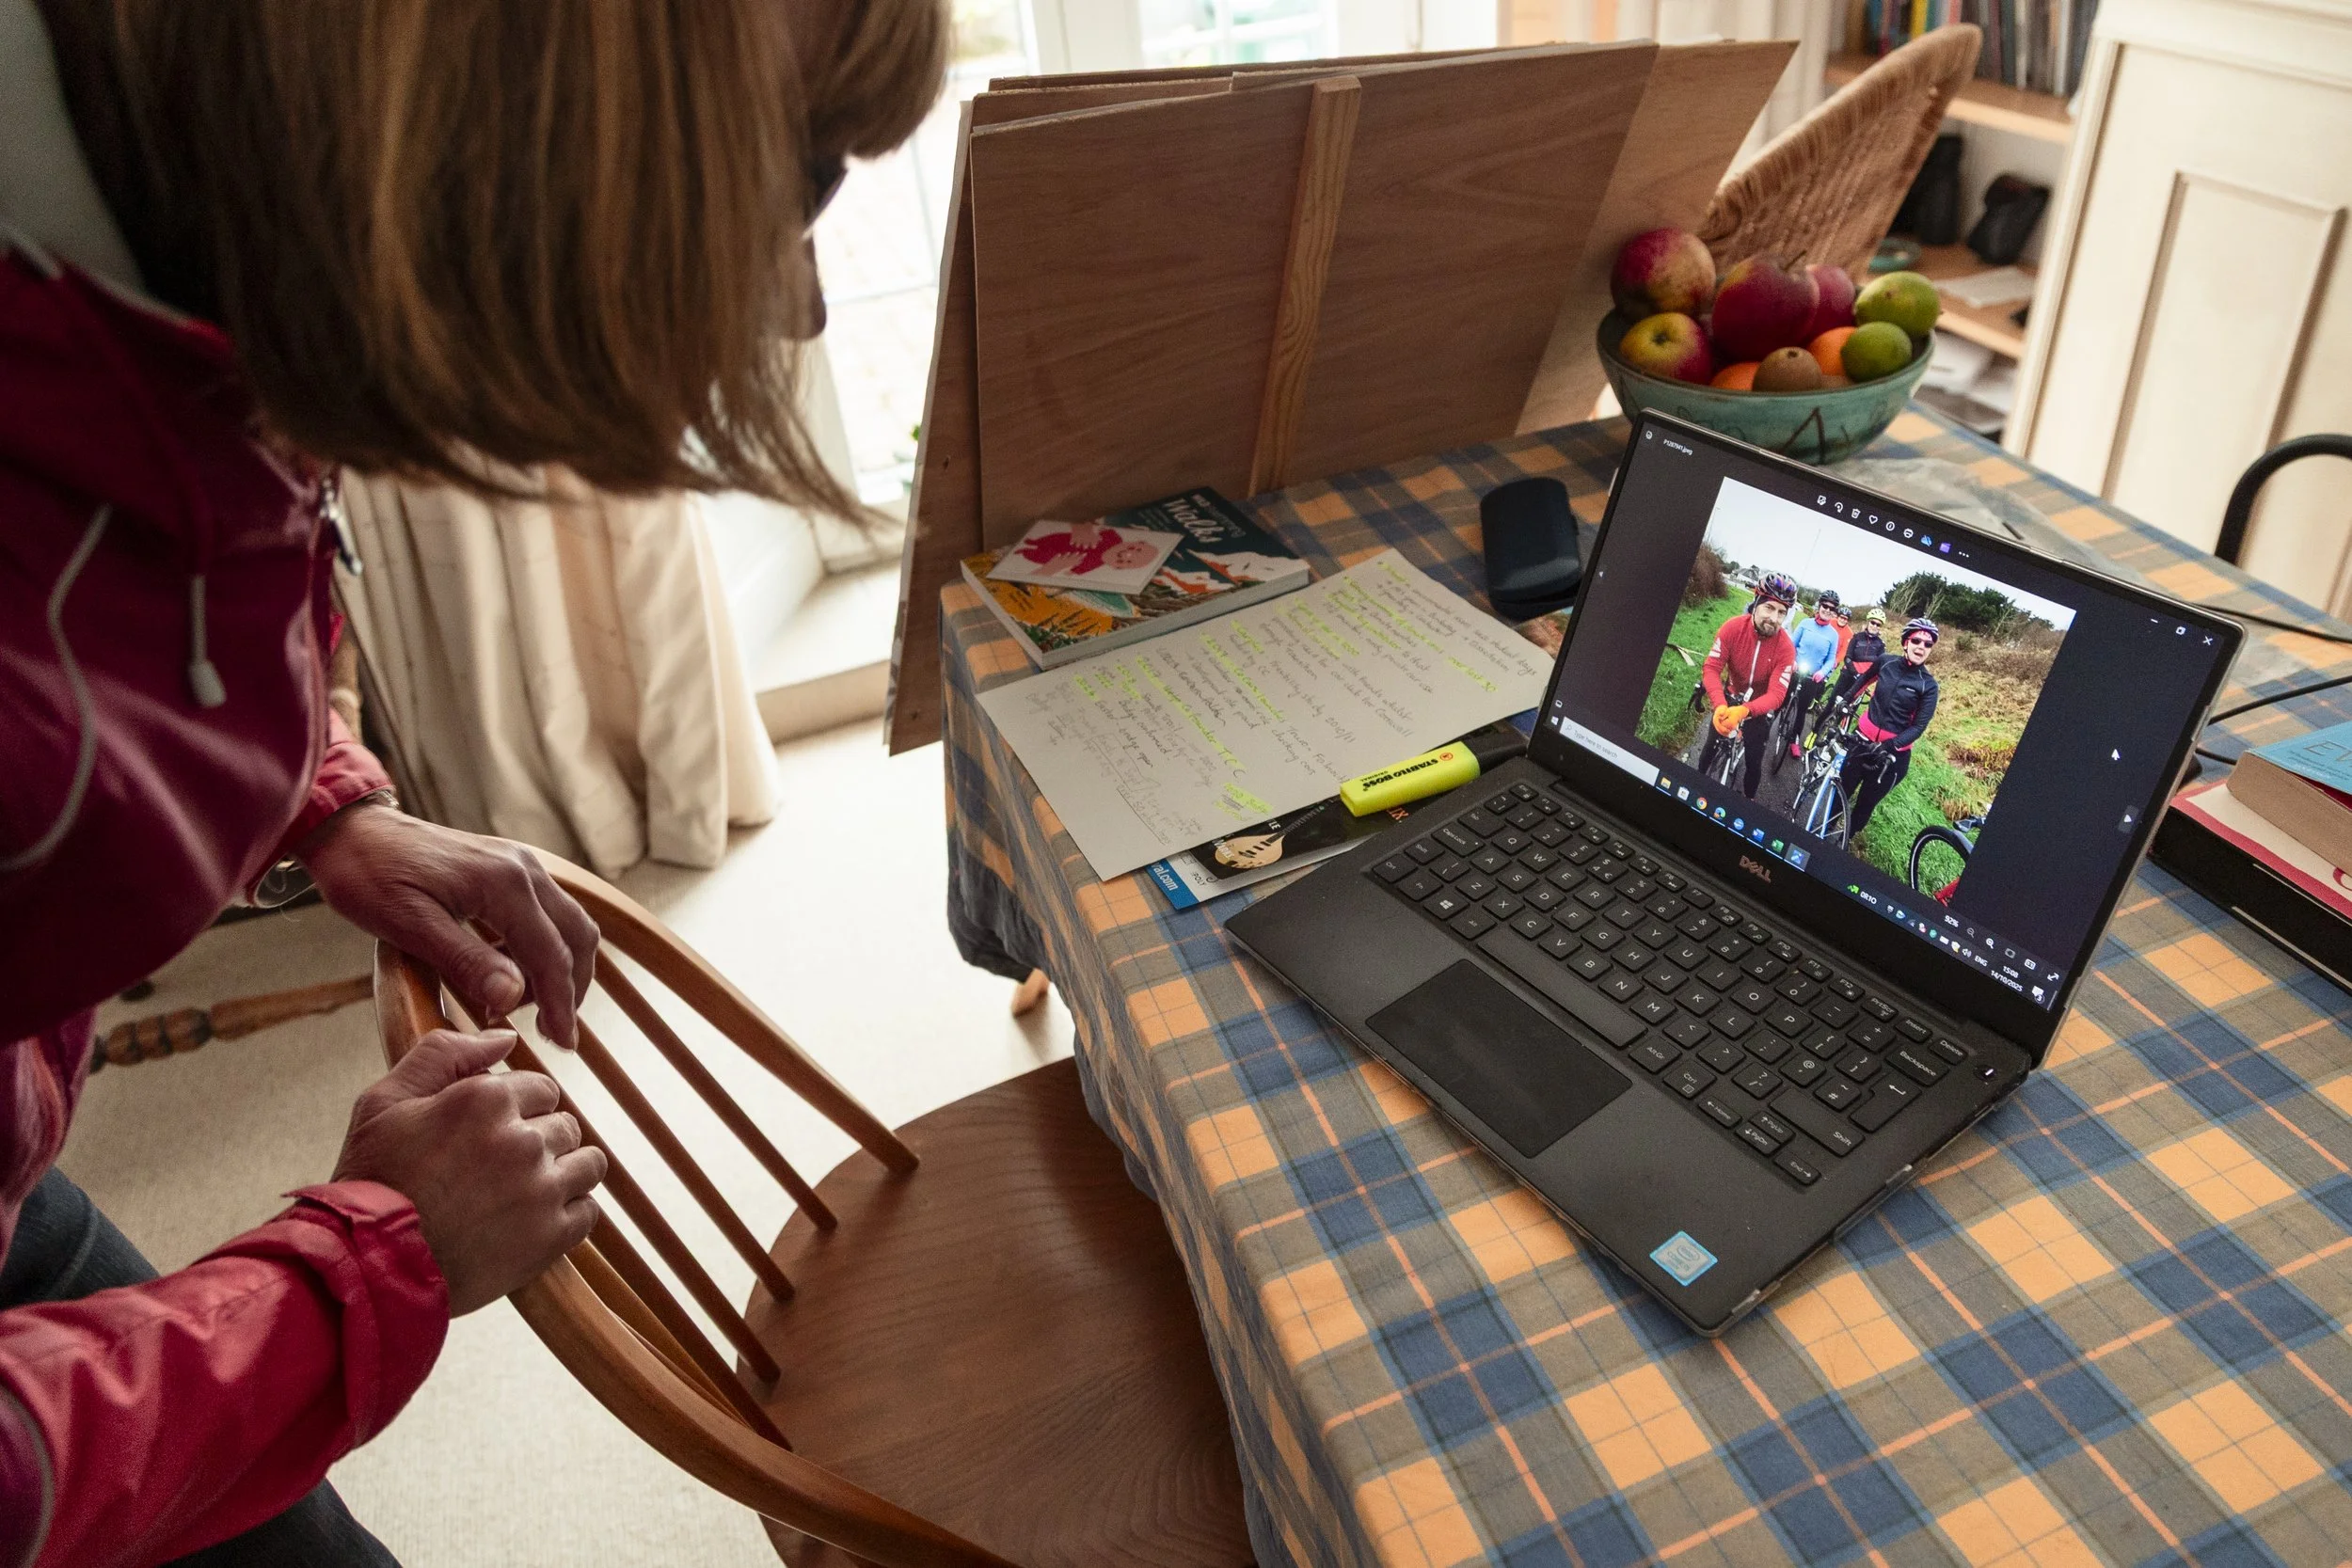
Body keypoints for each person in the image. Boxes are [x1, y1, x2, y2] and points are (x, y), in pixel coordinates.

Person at [0, 1, 946, 1563]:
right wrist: (354, 1273)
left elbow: (193, 534)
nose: (800, 311)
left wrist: (328, 803)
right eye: (786, 180)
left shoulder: (179, 224)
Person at [1698, 572, 1799, 800]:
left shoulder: (1786, 648)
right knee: (1709, 747)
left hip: (1757, 708)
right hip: (1730, 697)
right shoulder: (1732, 628)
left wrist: (1745, 710)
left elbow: (1776, 694)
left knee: (1754, 763)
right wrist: (1720, 705)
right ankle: (1694, 787)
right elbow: (1711, 668)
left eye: (1782, 612)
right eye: (1769, 608)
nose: (1774, 618)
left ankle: (1748, 802)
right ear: (1756, 604)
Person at [1838, 617, 1944, 833]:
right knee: (1840, 794)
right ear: (1906, 642)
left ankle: (1844, 841)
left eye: (1928, 644)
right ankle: (1822, 832)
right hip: (1862, 741)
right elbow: (1863, 682)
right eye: (1917, 641)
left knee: (1863, 809)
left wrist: (1888, 746)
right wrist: (1844, 701)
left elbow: (1918, 727)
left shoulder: (1928, 685)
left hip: (1891, 758)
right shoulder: (1885, 661)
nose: (1921, 647)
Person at [1783, 590, 1843, 756]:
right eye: (1825, 606)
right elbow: (1791, 645)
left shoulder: (1833, 635)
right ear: (1819, 605)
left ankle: (1794, 741)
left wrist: (1823, 672)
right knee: (1781, 700)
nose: (1828, 610)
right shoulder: (1805, 624)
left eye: (1832, 608)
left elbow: (1831, 659)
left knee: (1801, 710)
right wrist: (1792, 661)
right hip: (1795, 670)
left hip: (1812, 677)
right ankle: (1767, 727)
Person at [1832, 609, 1888, 704]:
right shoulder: (1857, 637)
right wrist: (1855, 674)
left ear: (1880, 627)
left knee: (1847, 711)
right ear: (1868, 622)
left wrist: (1866, 680)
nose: (1874, 626)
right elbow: (1848, 658)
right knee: (1830, 705)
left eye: (1878, 624)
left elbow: (1879, 667)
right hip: (1847, 675)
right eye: (1873, 622)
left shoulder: (1881, 645)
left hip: (1861, 682)